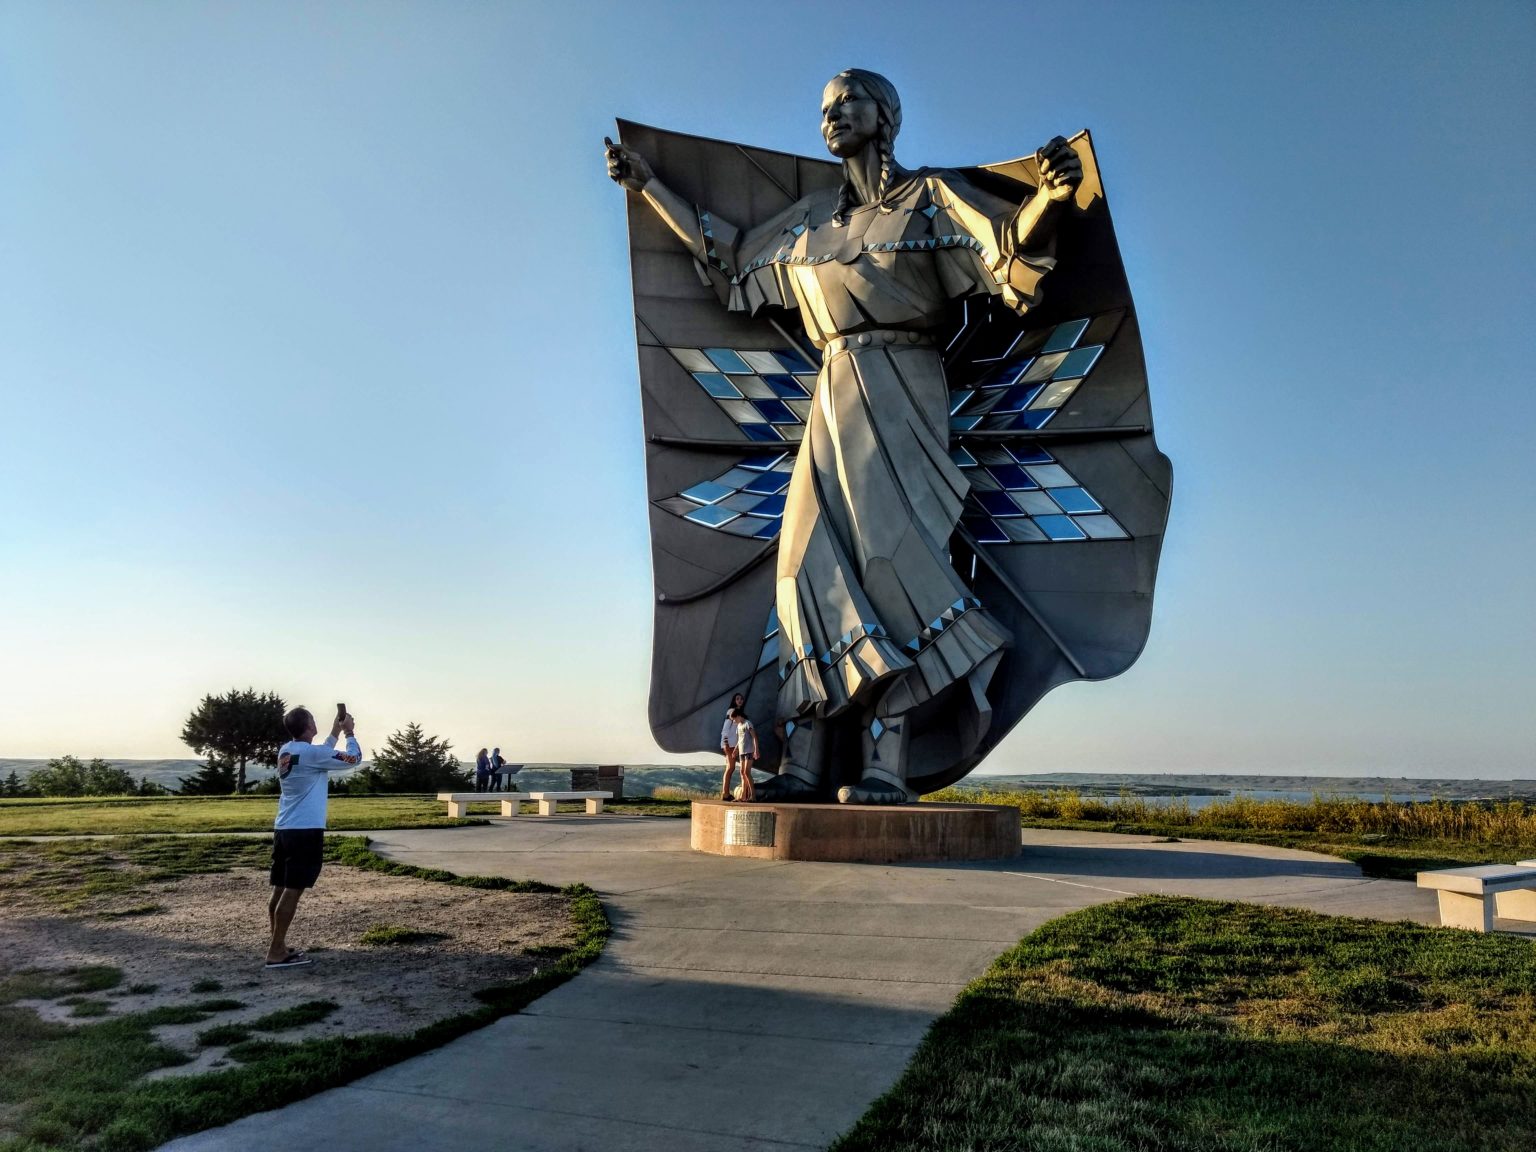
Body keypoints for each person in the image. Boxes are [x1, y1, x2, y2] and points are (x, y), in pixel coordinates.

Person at [606, 69, 1081, 805]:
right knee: (802, 571)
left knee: (890, 566)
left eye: (848, 102)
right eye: (825, 107)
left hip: (904, 389)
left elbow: (1010, 256)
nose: (833, 115)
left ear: (886, 115)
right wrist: (648, 188)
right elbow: (729, 263)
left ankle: (886, 769)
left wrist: (1050, 195)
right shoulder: (806, 226)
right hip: (830, 395)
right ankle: (806, 760)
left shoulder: (929, 201)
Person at [266, 706, 362, 968]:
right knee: (294, 889)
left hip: (284, 826)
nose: (314, 722)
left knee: (281, 886)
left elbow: (320, 753)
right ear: (308, 727)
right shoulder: (311, 754)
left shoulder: (288, 750)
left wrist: (335, 731)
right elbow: (354, 759)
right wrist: (350, 732)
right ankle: (276, 952)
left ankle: (278, 943)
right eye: (312, 720)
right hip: (305, 829)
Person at [719, 693, 745, 800]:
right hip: (729, 743)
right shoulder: (731, 711)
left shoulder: (739, 712)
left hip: (733, 744)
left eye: (741, 699)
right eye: (737, 699)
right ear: (734, 701)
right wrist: (725, 741)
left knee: (729, 767)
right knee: (731, 767)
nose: (739, 700)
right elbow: (726, 727)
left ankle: (725, 793)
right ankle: (725, 793)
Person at [732, 708, 758, 802]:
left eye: (734, 719)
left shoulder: (748, 723)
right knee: (742, 773)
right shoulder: (738, 726)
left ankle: (753, 796)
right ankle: (743, 796)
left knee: (747, 772)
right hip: (741, 752)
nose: (734, 721)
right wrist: (735, 749)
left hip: (749, 751)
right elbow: (740, 739)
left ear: (738, 716)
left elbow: (754, 737)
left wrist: (756, 750)